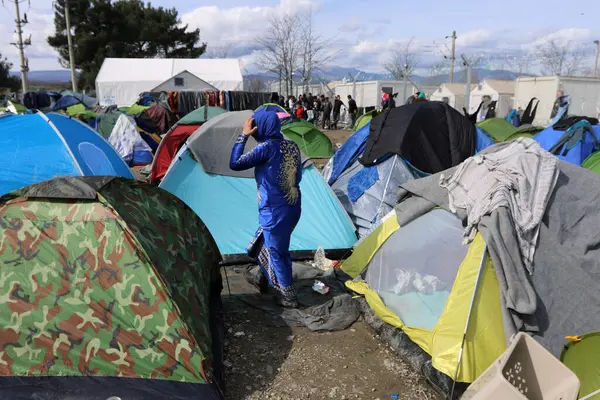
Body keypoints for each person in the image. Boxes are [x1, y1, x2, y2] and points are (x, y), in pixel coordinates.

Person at [229, 111, 302, 308]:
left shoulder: (266, 148)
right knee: (262, 244)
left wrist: (244, 135)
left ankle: (288, 295)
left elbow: (234, 163)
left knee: (277, 252)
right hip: (293, 206)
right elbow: (298, 177)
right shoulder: (292, 146)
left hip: (274, 211)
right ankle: (264, 278)